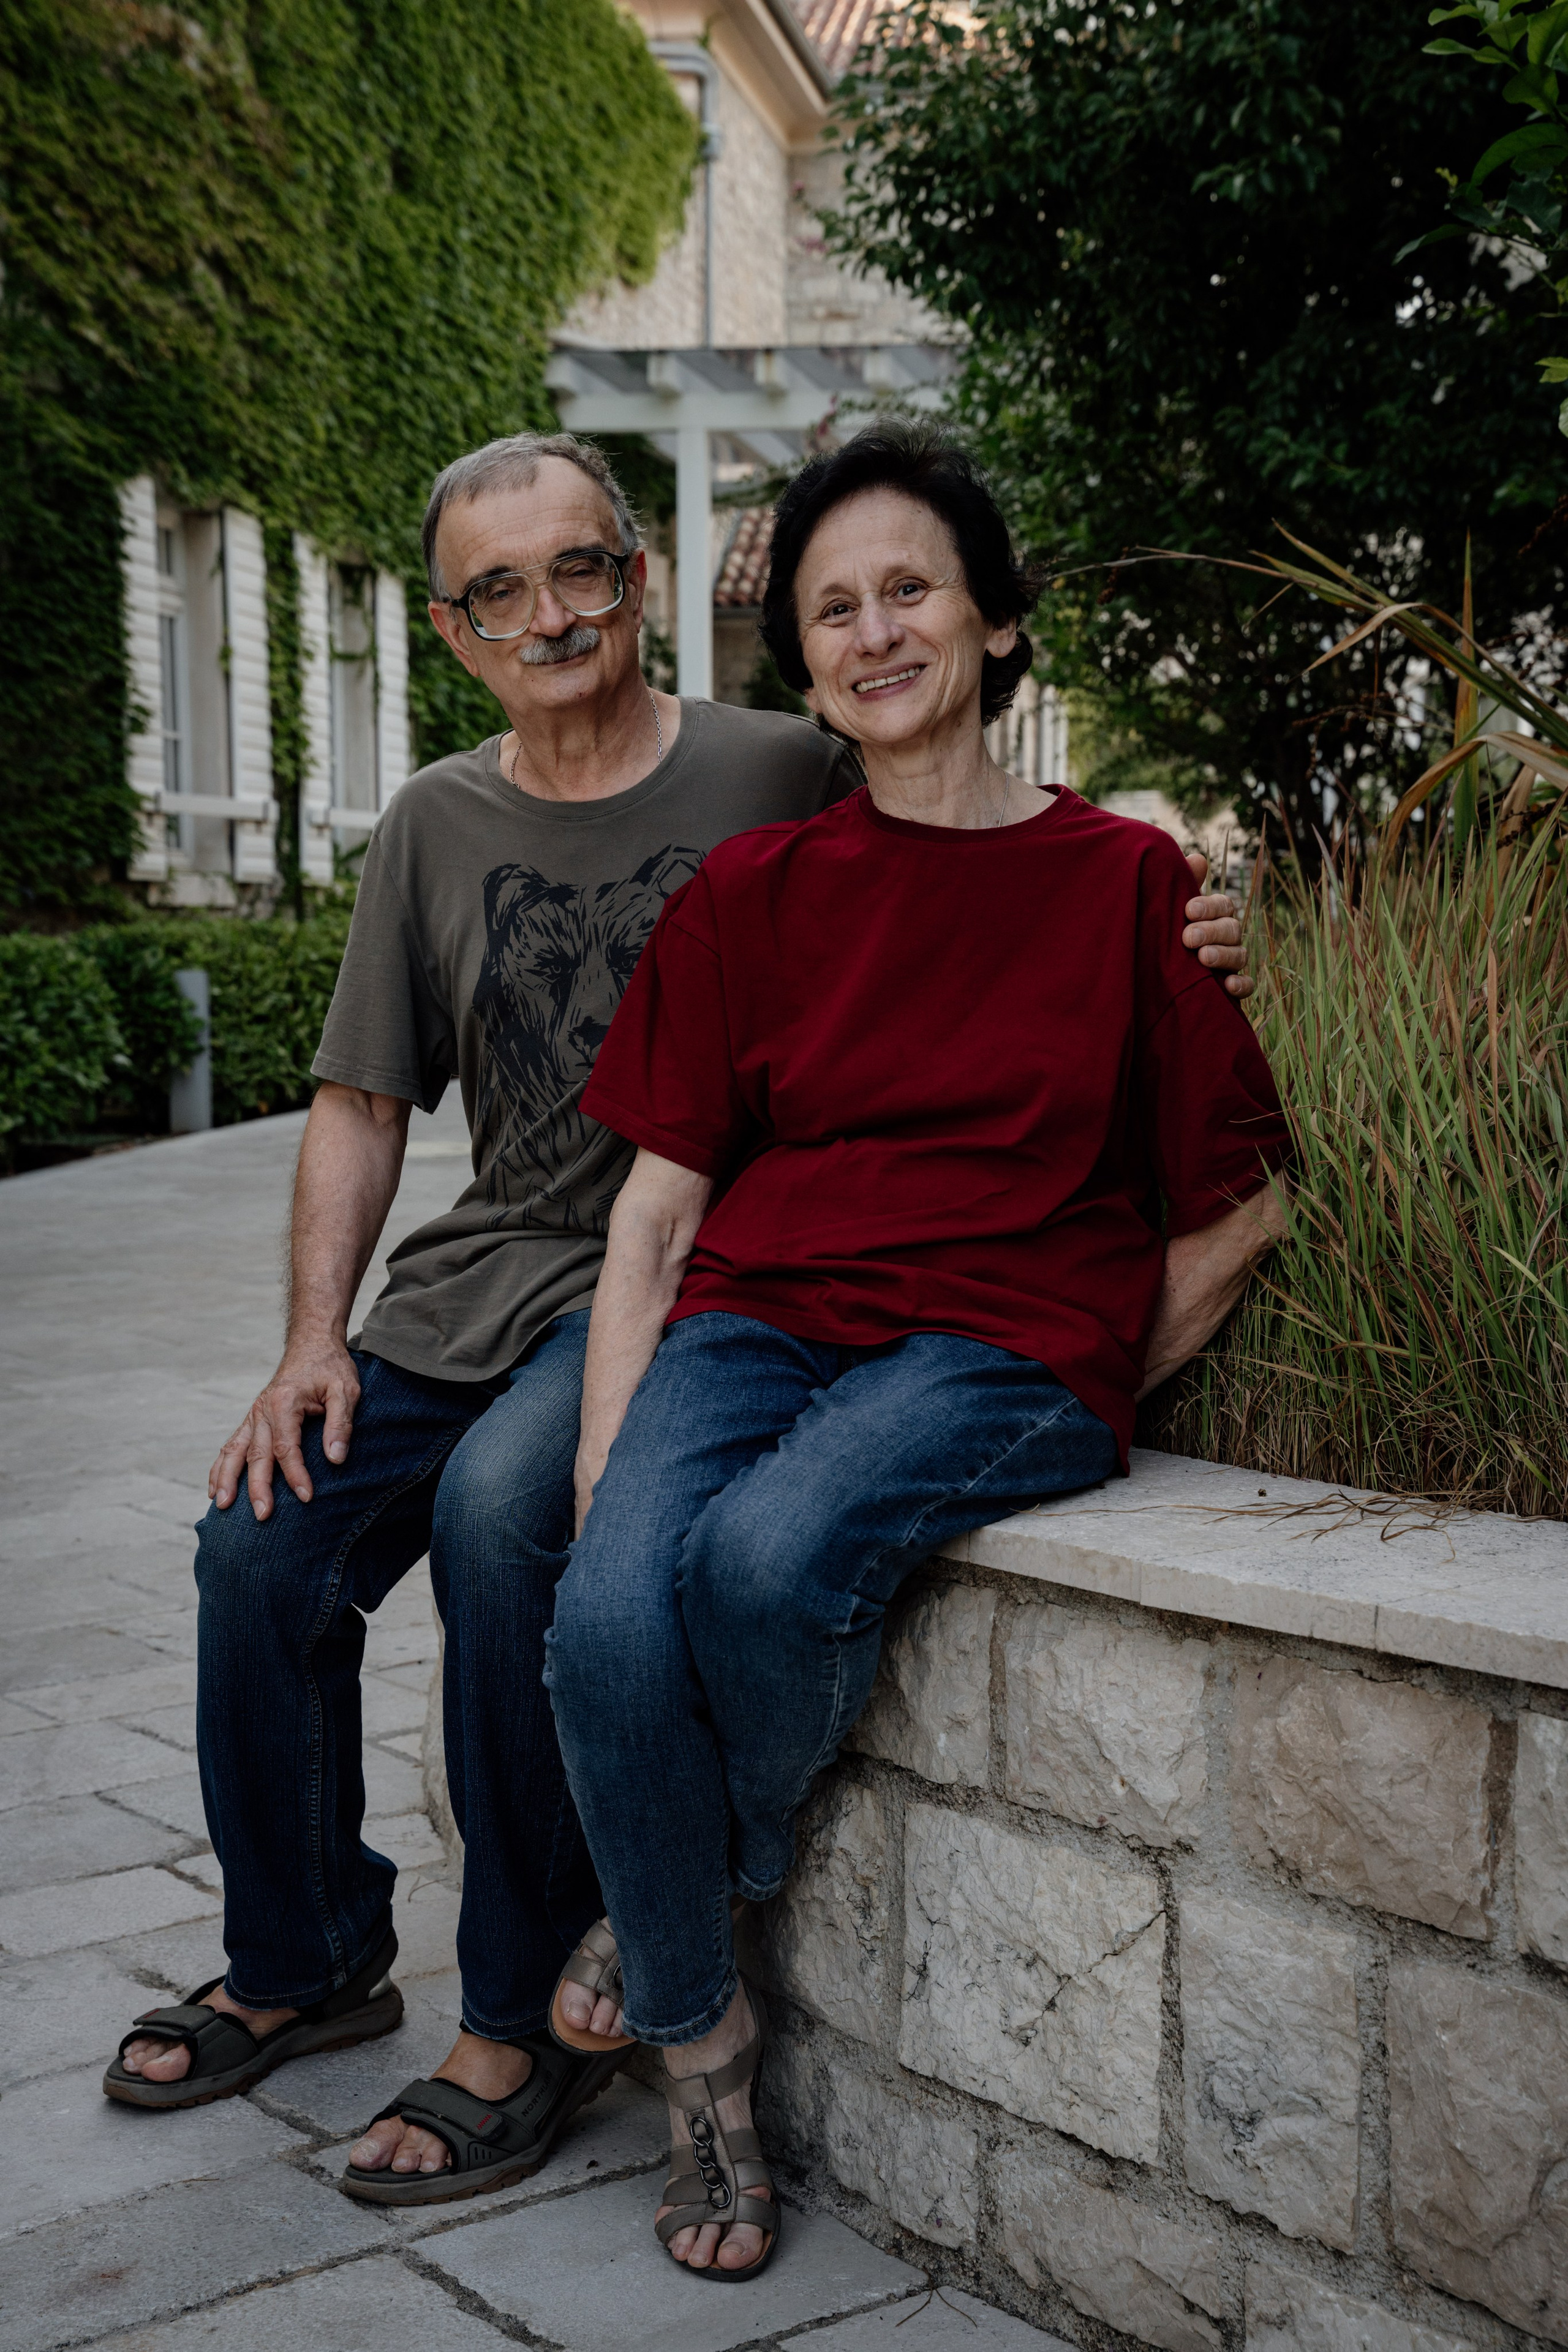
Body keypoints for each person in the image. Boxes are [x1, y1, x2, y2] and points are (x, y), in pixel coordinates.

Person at [100, 431, 1252, 2204]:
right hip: (565, 1274)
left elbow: (997, 865)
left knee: (519, 1524)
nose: (549, 612)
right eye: (501, 590)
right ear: (452, 627)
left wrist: (1216, 914)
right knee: (265, 1538)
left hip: (758, 1279)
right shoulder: (448, 823)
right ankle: (308, 1954)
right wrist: (310, 1339)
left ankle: (525, 2012)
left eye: (581, 569)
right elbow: (362, 1101)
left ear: (640, 580)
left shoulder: (791, 762)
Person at [544, 424, 1292, 2280]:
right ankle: (709, 2035)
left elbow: (1248, 1196)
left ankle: (677, 1907)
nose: (875, 632)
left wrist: (1111, 1361)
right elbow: (654, 1213)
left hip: (1001, 1340)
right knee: (616, 1608)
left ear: (996, 618)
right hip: (760, 1313)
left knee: (774, 1561)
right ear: (806, 667)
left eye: (909, 589)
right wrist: (604, 1455)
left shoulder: (1134, 885)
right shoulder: (757, 896)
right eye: (833, 610)